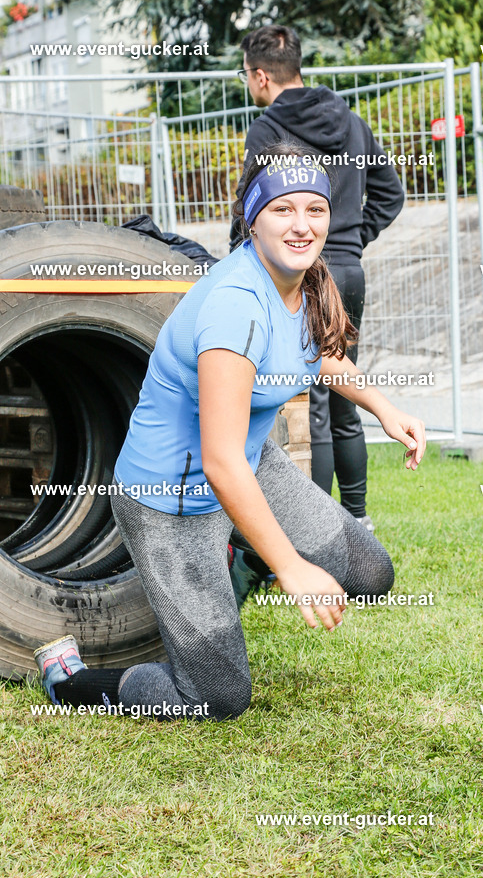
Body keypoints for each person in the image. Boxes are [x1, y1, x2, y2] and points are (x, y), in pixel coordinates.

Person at [33, 146, 426, 722]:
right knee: (215, 698)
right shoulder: (235, 307)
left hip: (251, 464)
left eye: (315, 210)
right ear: (252, 216)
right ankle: (70, 679)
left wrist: (383, 408)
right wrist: (290, 566)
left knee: (369, 573)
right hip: (174, 498)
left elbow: (316, 357)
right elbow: (219, 461)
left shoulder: (305, 280)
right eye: (283, 210)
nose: (302, 225)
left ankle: (240, 558)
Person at [230, 24, 405, 532]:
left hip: (297, 277)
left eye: (246, 75)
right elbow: (391, 195)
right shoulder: (351, 121)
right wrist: (348, 241)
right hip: (349, 270)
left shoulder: (267, 129)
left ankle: (320, 531)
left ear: (261, 75)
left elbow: (249, 209)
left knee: (316, 408)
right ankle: (358, 520)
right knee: (344, 399)